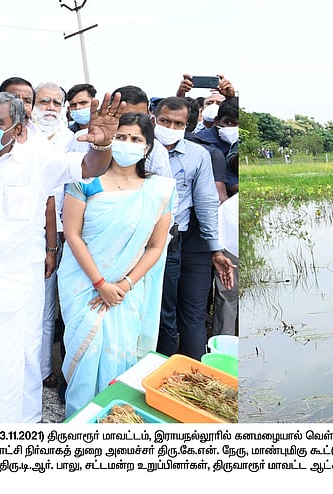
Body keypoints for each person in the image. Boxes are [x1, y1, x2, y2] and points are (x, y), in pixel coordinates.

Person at [0, 90, 123, 423]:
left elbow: (88, 167)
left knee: (17, 372)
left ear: (19, 130)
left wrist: (101, 145)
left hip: (20, 293)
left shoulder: (39, 160)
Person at [60, 112, 176, 415]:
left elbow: (156, 245)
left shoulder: (161, 190)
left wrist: (123, 285)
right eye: (121, 137)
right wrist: (101, 284)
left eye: (136, 139)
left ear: (148, 147)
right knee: (84, 356)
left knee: (120, 357)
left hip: (128, 291)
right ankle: (82, 419)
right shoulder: (85, 181)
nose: (127, 144)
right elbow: (72, 235)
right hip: (84, 286)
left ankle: (117, 421)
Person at [152, 97, 235, 360]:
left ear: (187, 125)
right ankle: (152, 370)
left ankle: (193, 373)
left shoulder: (198, 155)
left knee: (193, 313)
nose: (171, 127)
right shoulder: (141, 149)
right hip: (146, 242)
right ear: (154, 118)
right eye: (165, 121)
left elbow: (207, 202)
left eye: (178, 123)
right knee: (158, 314)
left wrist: (215, 249)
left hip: (185, 239)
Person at [31, 82, 74, 392]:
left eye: (56, 103)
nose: (49, 107)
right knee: (39, 306)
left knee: (67, 309)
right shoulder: (23, 138)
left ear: (64, 108)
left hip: (70, 236)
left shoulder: (76, 141)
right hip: (34, 235)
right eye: (43, 101)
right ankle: (39, 369)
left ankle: (59, 370)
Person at [212, 152, 239, 337]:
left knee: (227, 297)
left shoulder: (228, 206)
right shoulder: (227, 207)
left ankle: (224, 342)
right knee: (228, 294)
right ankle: (224, 343)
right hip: (229, 247)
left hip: (229, 245)